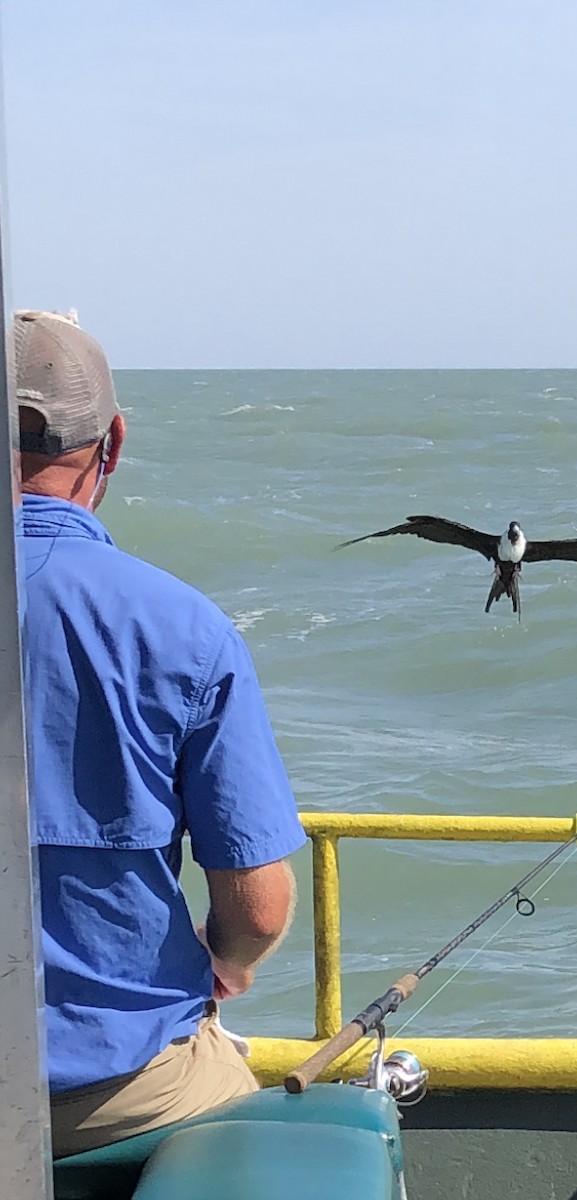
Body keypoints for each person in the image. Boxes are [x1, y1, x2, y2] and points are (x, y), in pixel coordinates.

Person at [15, 309, 307, 1158]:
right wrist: (229, 961)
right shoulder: (184, 628)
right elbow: (257, 905)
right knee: (271, 1142)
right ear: (111, 445)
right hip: (114, 1087)